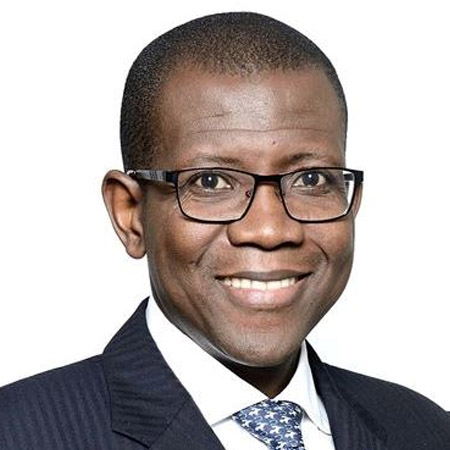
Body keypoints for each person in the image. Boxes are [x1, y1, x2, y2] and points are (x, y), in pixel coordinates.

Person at [0, 11, 448, 450]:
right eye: (211, 182)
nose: (270, 229)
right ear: (131, 213)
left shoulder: (425, 430)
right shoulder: (20, 433)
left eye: (311, 179)